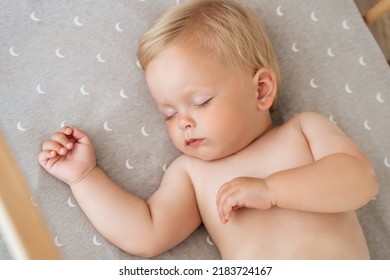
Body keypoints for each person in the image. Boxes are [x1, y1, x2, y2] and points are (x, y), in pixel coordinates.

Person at [38, 0, 378, 259]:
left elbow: (360, 181)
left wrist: (271, 190)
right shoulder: (193, 173)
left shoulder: (303, 131)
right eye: (168, 114)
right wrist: (84, 177)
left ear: (260, 90)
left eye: (200, 102)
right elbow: (147, 233)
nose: (184, 121)